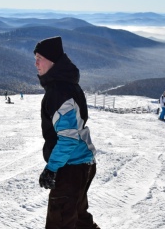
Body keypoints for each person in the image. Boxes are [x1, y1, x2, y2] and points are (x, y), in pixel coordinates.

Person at [34, 36, 100, 229]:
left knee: (59, 222)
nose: (36, 63)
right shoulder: (67, 85)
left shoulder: (58, 91)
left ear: (53, 61)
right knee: (79, 220)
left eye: (40, 58)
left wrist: (51, 168)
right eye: (35, 58)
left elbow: (68, 138)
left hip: (71, 168)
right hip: (82, 164)